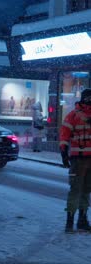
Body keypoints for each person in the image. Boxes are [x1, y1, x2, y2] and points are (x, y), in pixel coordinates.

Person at [60, 88, 91, 233]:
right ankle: (76, 221)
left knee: (81, 190)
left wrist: (64, 153)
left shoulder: (72, 115)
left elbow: (64, 136)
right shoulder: (73, 115)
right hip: (79, 160)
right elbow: (64, 136)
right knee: (81, 191)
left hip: (79, 160)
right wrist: (64, 153)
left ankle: (77, 221)